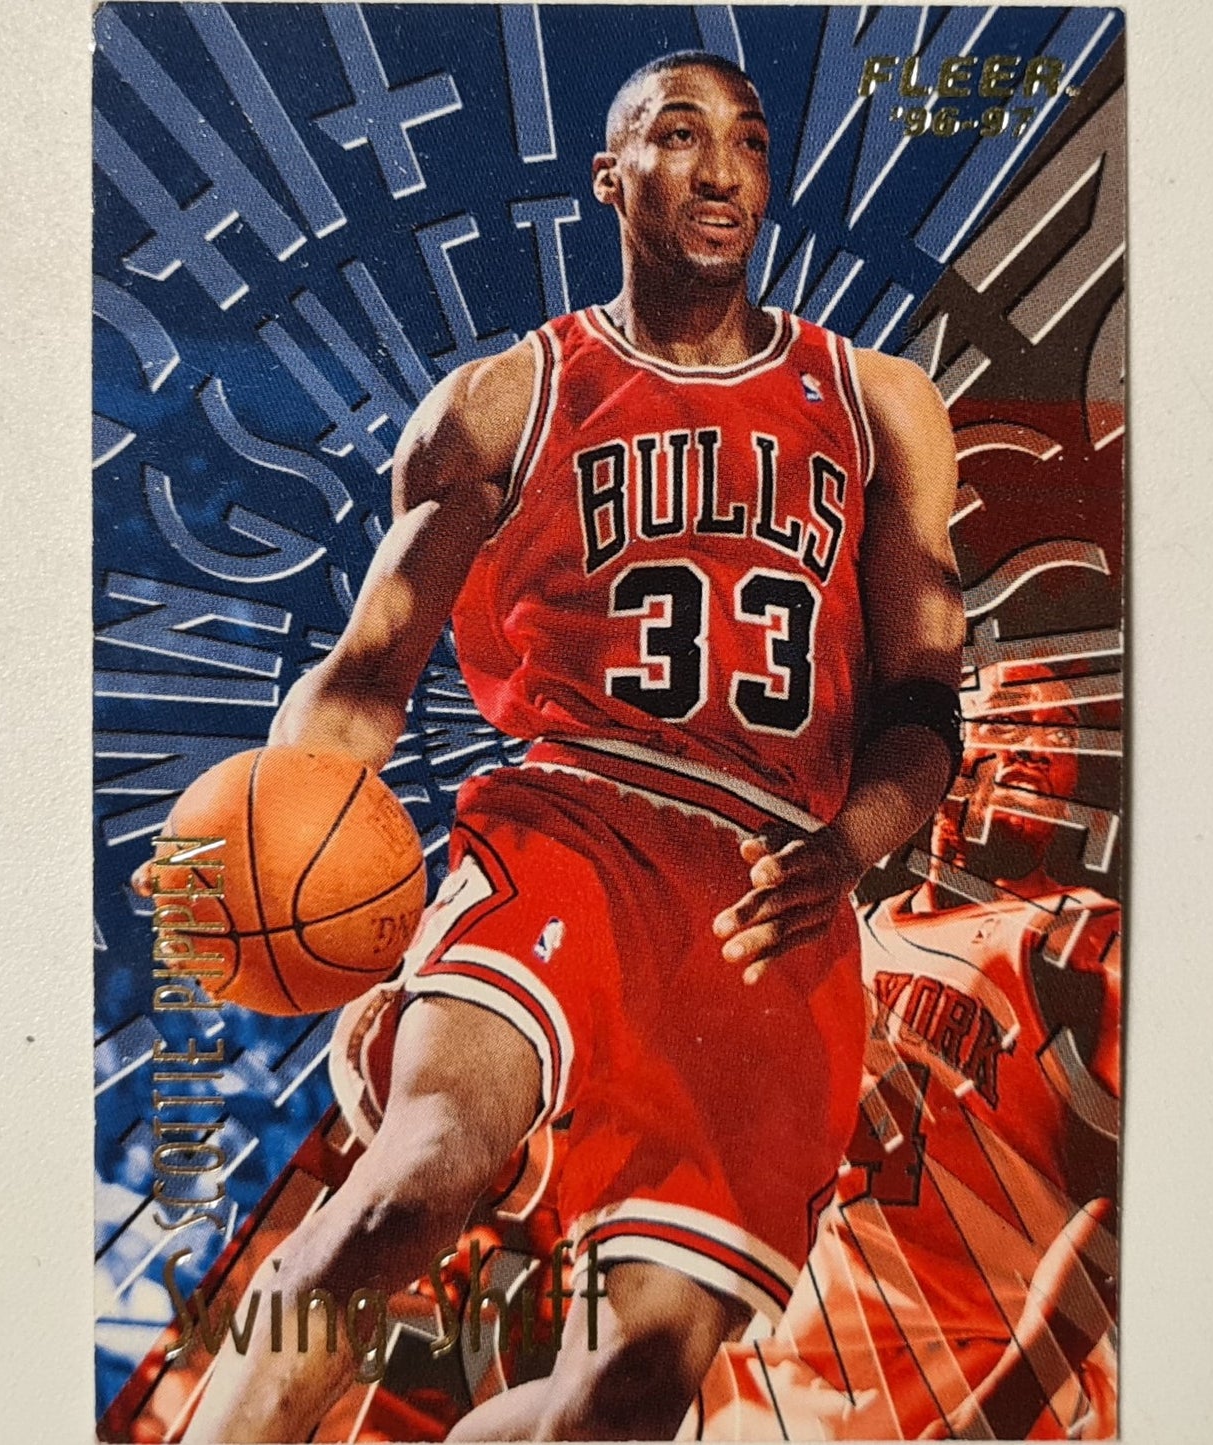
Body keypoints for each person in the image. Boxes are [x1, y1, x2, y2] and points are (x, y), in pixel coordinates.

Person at [179, 50, 965, 1442]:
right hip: (572, 830)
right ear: (611, 176)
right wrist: (282, 830)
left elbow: (919, 699)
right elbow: (370, 669)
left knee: (631, 1391)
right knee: (413, 1182)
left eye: (748, 142)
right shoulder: (505, 400)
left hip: (773, 895)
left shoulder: (877, 401)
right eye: (679, 134)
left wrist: (851, 843)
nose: (720, 169)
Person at [695, 671, 1121, 1440]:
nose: (1034, 744)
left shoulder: (1083, 937)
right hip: (789, 1375)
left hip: (981, 1374)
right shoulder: (834, 934)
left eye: (1059, 735)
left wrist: (993, 1417)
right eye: (1010, 716)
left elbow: (1123, 1212)